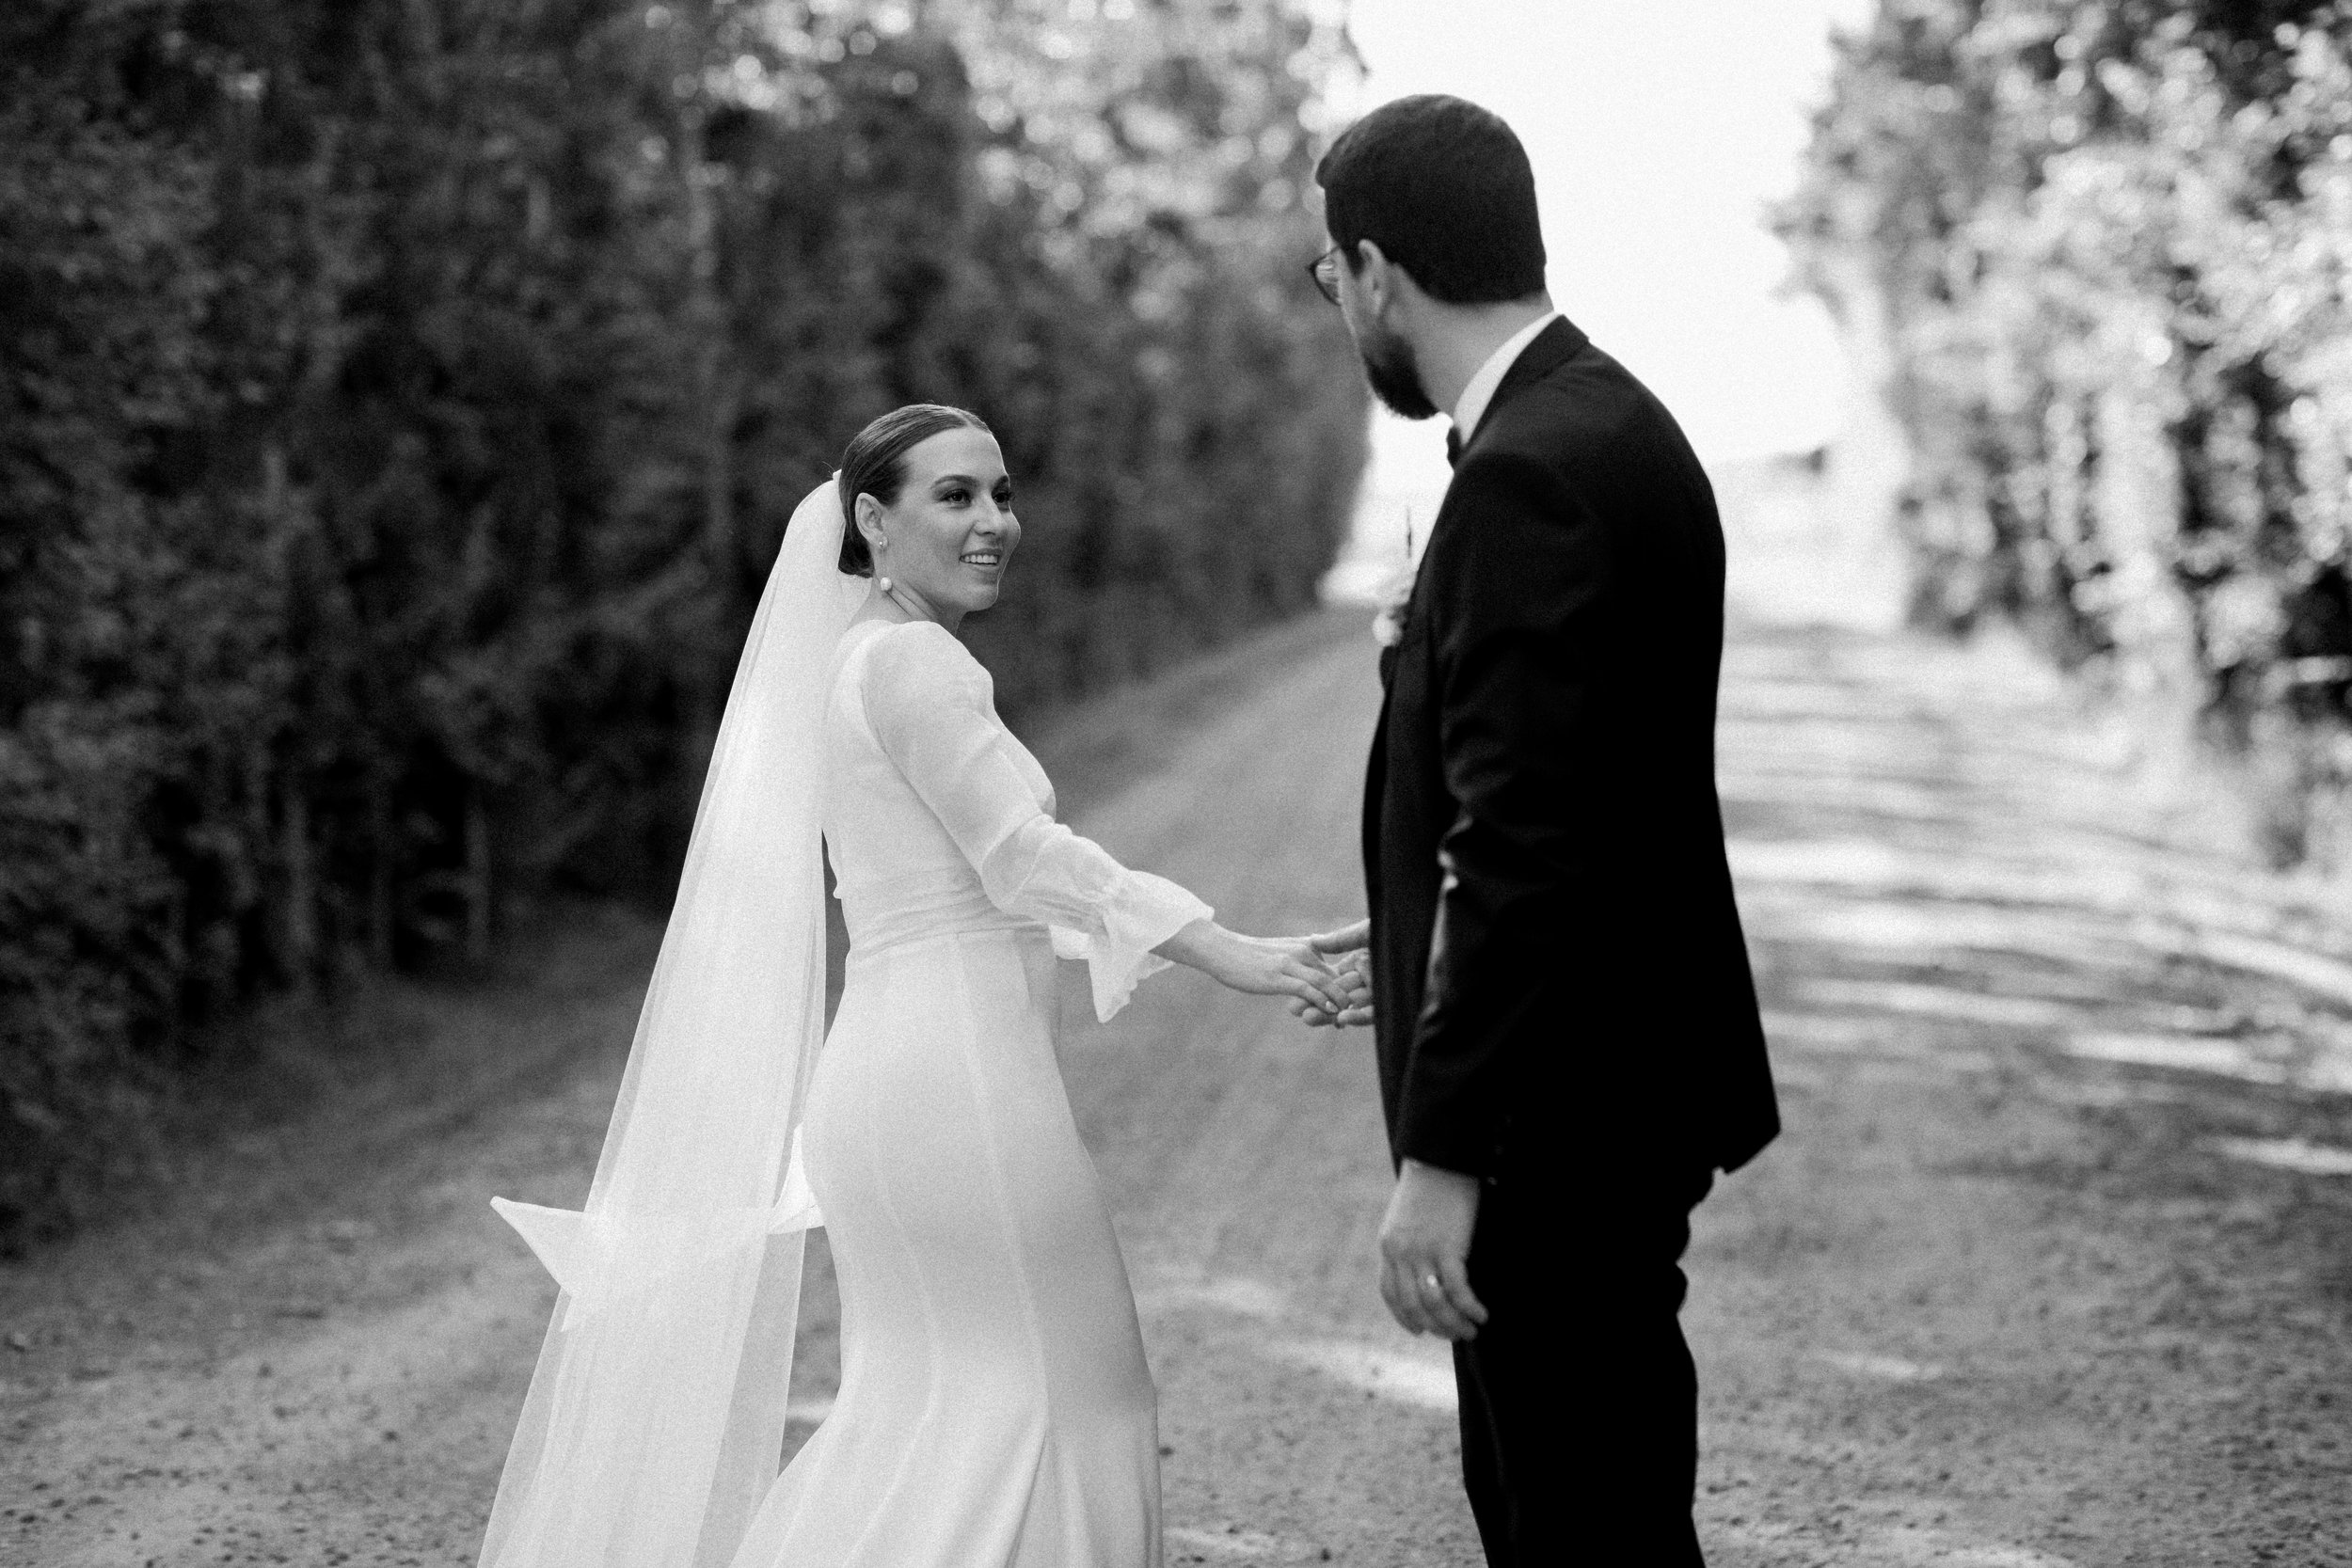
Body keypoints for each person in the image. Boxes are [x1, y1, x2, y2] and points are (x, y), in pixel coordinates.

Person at [479, 404, 1350, 1568]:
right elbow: (1020, 855)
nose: (994, 520)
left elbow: (966, 875)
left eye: (1000, 492)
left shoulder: (852, 661)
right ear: (872, 522)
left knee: (929, 1417)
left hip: (893, 1085)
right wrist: (1225, 946)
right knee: (1074, 1401)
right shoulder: (917, 662)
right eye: (955, 496)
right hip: (959, 1088)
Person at [1294, 95, 1780, 1565]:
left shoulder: (1525, 472)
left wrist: (1446, 1154)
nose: (1337, 304)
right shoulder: (1596, 421)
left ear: (1379, 269)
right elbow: (1581, 789)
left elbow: (1528, 841)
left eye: (1331, 274)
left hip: (1553, 1126)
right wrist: (1418, 938)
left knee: (1573, 1523)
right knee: (1599, 1508)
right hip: (1599, 1082)